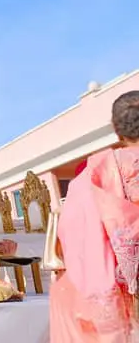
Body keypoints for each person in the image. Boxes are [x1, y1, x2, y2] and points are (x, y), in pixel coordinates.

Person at [50, 90, 139, 342]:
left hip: (122, 300)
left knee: (63, 296)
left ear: (115, 128)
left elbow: (75, 237)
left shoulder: (90, 178)